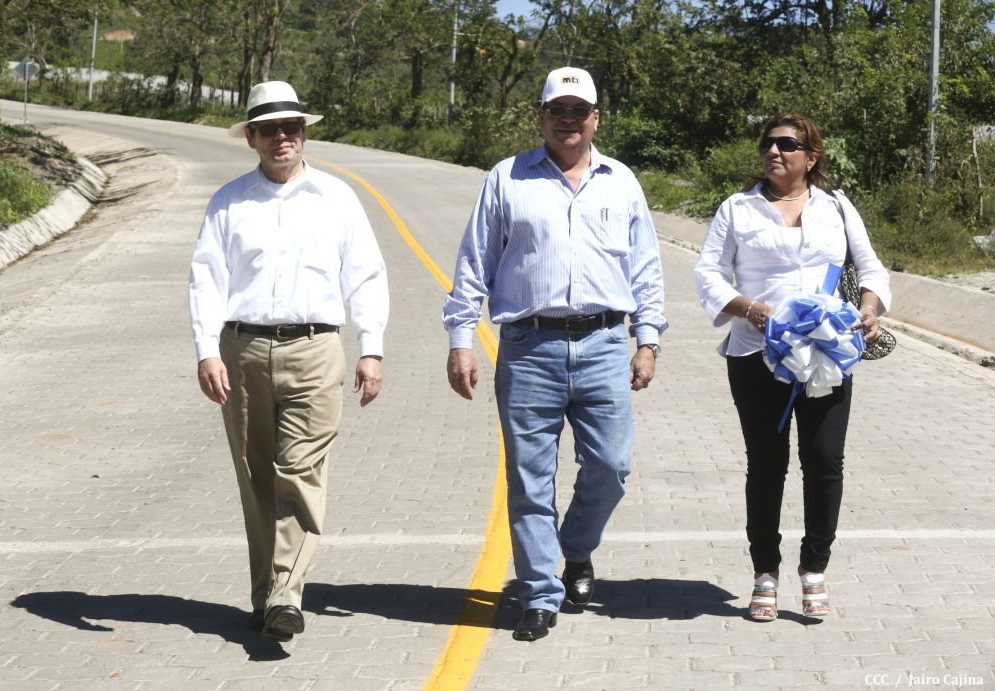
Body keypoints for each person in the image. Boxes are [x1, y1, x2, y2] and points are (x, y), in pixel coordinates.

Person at [442, 67, 667, 641]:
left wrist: (648, 340)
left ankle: (575, 549)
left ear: (596, 118)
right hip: (527, 347)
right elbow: (475, 263)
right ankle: (541, 593)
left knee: (612, 467)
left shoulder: (622, 182)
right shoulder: (506, 178)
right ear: (541, 116)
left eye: (579, 111)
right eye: (557, 110)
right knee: (528, 479)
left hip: (604, 344)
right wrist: (461, 339)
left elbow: (645, 270)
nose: (568, 121)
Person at [189, 81, 389, 641]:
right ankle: (265, 597)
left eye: (292, 127)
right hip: (243, 349)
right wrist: (207, 350)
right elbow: (206, 278)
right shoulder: (229, 201)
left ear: (305, 133)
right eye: (270, 128)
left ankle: (286, 593)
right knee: (257, 477)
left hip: (316, 349)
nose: (283, 138)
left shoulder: (337, 198)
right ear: (251, 136)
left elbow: (367, 275)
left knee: (298, 471)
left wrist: (371, 347)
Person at [694, 113, 890, 622]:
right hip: (757, 355)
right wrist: (751, 309)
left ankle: (815, 571)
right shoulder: (737, 209)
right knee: (766, 464)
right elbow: (709, 275)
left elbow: (871, 269)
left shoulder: (837, 208)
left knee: (824, 462)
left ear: (811, 156)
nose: (774, 151)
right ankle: (765, 573)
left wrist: (868, 308)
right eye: (768, 143)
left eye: (787, 144)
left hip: (826, 356)